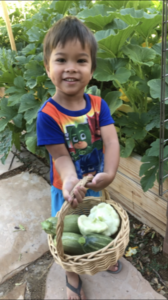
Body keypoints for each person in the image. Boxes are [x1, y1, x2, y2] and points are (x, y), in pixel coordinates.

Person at [37, 16, 121, 300]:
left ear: (92, 69)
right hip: (67, 186)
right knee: (67, 232)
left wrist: (109, 174)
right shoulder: (48, 115)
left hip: (96, 179)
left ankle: (101, 251)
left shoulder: (99, 105)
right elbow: (60, 157)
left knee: (98, 218)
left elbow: (110, 140)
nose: (71, 68)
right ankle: (71, 272)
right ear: (48, 67)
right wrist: (71, 181)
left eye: (81, 61)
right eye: (61, 60)